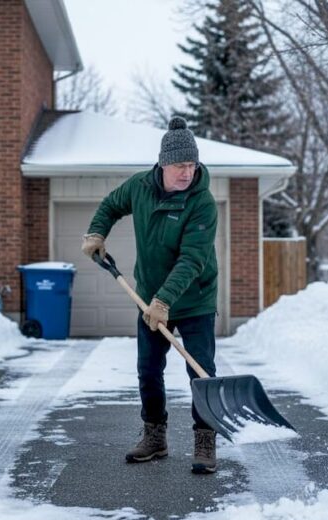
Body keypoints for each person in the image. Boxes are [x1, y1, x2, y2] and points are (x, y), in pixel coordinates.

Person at [81, 117, 220, 474]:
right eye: (179, 166)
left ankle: (205, 439)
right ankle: (155, 437)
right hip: (150, 297)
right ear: (162, 164)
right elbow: (111, 205)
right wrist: (97, 233)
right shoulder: (140, 187)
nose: (186, 173)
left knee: (200, 371)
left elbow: (192, 259)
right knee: (148, 369)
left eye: (191, 165)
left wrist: (165, 302)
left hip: (194, 299)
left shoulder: (202, 202)